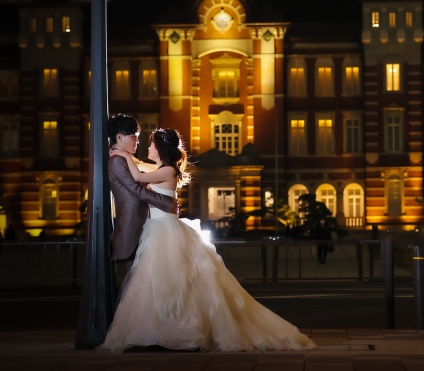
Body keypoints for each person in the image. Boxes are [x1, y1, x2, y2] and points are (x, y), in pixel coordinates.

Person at [98, 128, 315, 353]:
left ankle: (173, 327)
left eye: (152, 145)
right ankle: (161, 327)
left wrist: (123, 156)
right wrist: (128, 157)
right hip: (158, 228)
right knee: (159, 281)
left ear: (161, 149)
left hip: (163, 230)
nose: (148, 149)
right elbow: (142, 169)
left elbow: (138, 177)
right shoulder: (163, 169)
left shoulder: (167, 171)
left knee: (168, 281)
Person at [107, 114, 177, 264]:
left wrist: (128, 157)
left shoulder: (124, 159)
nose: (138, 141)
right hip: (132, 227)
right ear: (120, 137)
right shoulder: (117, 160)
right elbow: (136, 189)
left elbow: (146, 172)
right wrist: (167, 202)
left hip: (146, 228)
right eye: (134, 136)